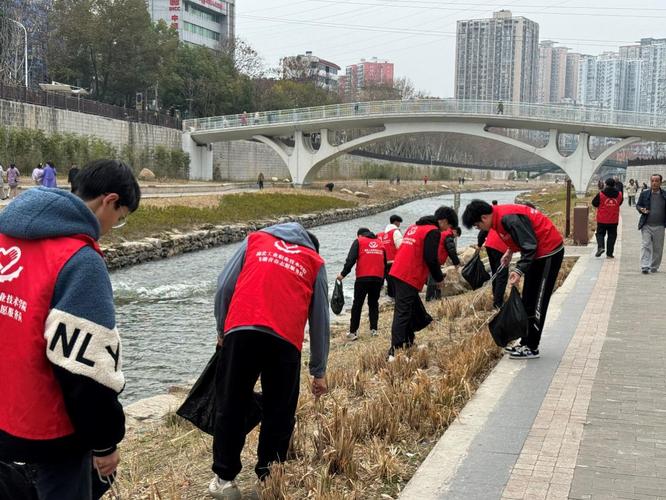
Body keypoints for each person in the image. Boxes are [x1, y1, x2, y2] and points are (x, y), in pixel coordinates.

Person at [0, 159, 140, 500]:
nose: (111, 227)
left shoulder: (5, 235)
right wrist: (105, 441)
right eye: (119, 219)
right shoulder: (80, 260)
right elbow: (87, 370)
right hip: (51, 430)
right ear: (109, 200)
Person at [210, 222, 330, 498]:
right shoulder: (314, 260)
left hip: (242, 330)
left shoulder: (255, 240)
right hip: (285, 341)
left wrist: (222, 329)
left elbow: (225, 285)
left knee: (231, 403)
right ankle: (269, 477)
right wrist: (318, 370)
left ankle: (225, 479)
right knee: (280, 410)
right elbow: (320, 318)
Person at [462, 200, 564, 359]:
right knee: (528, 298)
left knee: (538, 300)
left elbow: (530, 244)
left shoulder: (508, 218)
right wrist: (509, 252)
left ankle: (532, 347)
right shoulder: (497, 217)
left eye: (477, 225)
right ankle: (525, 341)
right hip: (537, 254)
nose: (478, 229)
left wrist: (518, 269)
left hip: (548, 252)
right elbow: (518, 237)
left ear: (483, 218)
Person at [388, 206, 453, 358]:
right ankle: (395, 352)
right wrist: (438, 278)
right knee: (402, 313)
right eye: (448, 226)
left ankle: (409, 343)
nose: (447, 230)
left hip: (397, 271)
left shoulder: (414, 227)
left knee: (411, 309)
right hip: (408, 274)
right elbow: (431, 258)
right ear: (443, 221)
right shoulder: (433, 231)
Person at [337, 228, 386, 340]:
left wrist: (343, 274)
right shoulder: (380, 242)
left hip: (363, 278)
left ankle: (353, 332)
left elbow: (351, 260)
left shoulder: (359, 241)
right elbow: (384, 263)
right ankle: (374, 330)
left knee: (357, 305)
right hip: (377, 278)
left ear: (359, 235)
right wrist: (382, 281)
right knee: (373, 303)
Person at [426, 213, 461, 301]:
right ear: (455, 231)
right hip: (436, 259)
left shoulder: (444, 233)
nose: (455, 237)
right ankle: (430, 298)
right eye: (456, 235)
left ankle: (437, 297)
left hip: (435, 258)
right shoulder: (448, 235)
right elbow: (451, 250)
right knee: (433, 279)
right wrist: (456, 263)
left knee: (436, 278)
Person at [636, 174, 666, 274]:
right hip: (646, 225)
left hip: (660, 226)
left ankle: (654, 266)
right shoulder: (645, 194)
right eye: (652, 180)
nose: (654, 183)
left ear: (660, 182)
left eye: (656, 181)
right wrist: (641, 209)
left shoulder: (664, 195)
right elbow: (638, 205)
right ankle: (645, 266)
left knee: (658, 248)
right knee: (646, 245)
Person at [477, 228, 509, 309]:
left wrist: (479, 244)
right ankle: (498, 303)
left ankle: (496, 296)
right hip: (500, 246)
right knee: (502, 275)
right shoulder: (512, 218)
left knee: (495, 272)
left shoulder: (496, 217)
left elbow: (483, 230)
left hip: (490, 245)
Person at [592, 178, 623, 258]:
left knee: (600, 234)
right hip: (613, 220)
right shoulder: (619, 194)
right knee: (612, 236)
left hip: (602, 219)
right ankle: (609, 254)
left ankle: (601, 247)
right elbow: (619, 203)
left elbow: (594, 203)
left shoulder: (601, 194)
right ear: (614, 184)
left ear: (606, 184)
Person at [378, 214, 403, 298]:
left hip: (384, 262)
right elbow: (401, 246)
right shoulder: (395, 232)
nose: (399, 225)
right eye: (399, 223)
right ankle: (396, 299)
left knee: (389, 281)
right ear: (396, 222)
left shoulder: (382, 234)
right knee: (396, 282)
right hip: (395, 261)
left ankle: (389, 298)